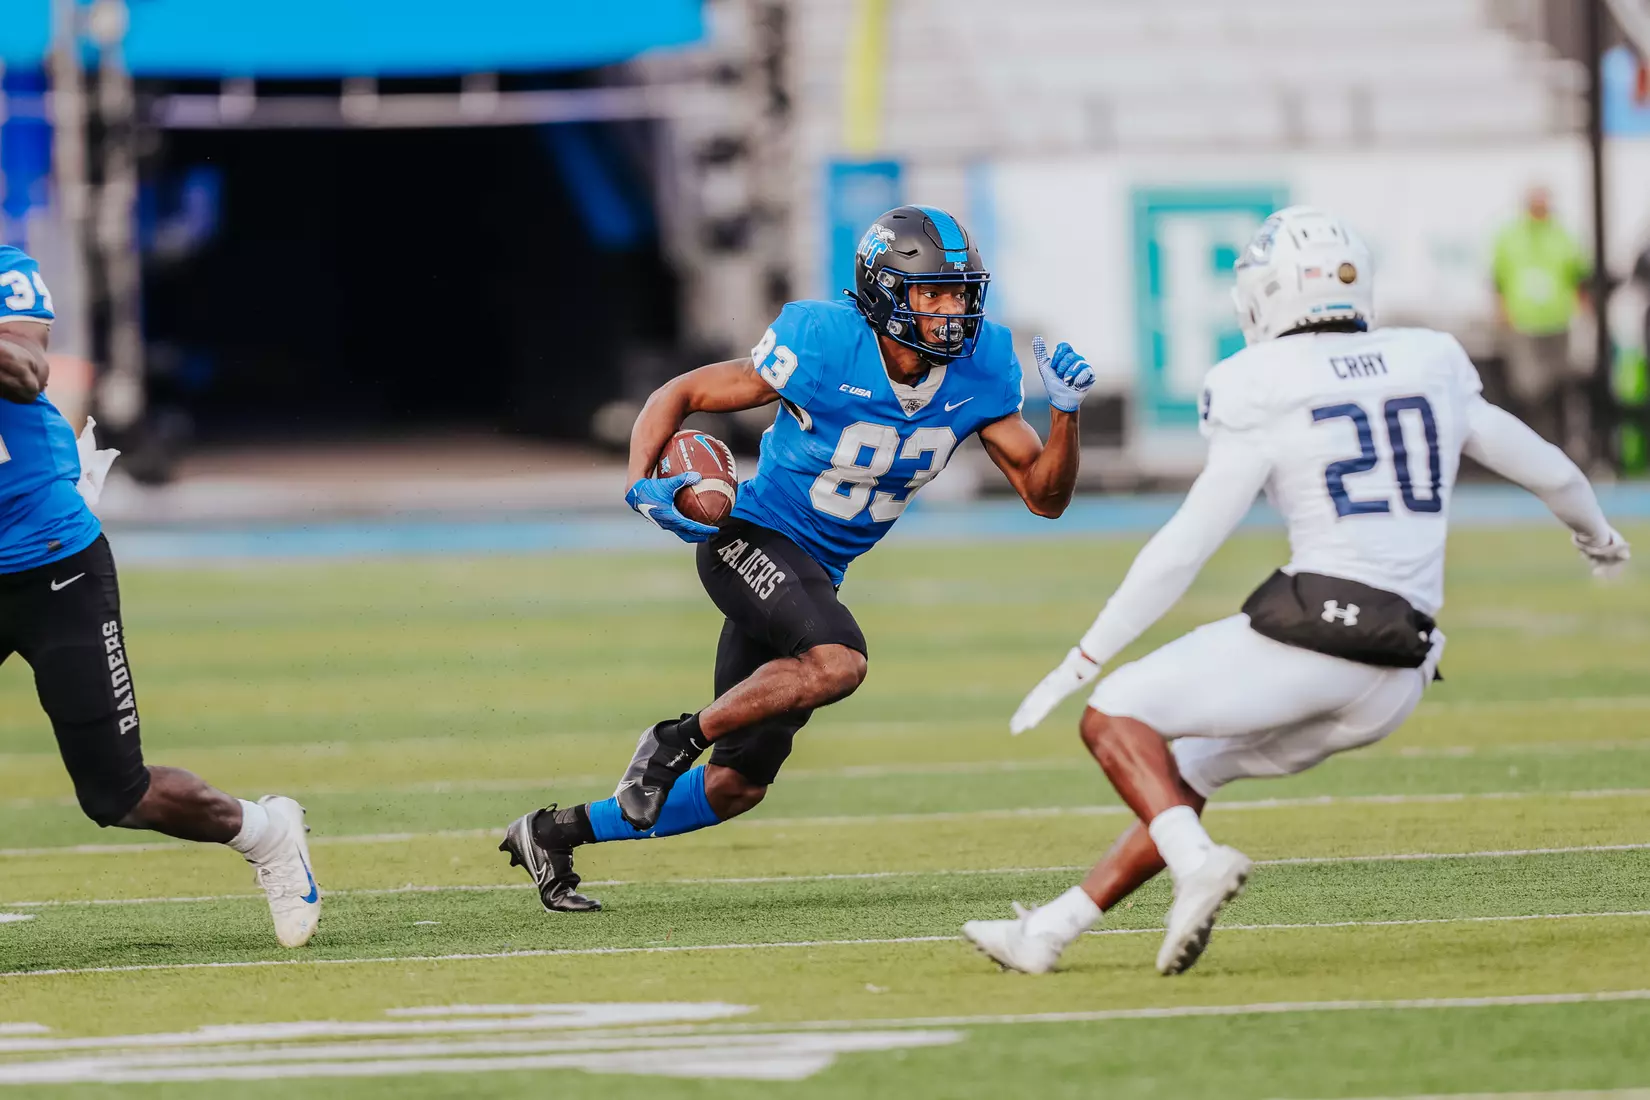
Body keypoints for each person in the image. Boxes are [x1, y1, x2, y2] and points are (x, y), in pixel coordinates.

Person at [961, 206, 1629, 977]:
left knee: (1114, 714)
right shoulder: (1428, 358)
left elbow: (1187, 545)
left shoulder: (1262, 379)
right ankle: (1049, 931)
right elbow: (1547, 465)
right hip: (1403, 668)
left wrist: (1087, 653)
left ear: (1270, 294)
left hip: (1326, 634)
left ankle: (1197, 866)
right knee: (1186, 777)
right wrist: (1598, 538)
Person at [500, 205, 1095, 911]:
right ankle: (673, 739)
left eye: (960, 292)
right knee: (839, 661)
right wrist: (638, 484)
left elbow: (1044, 496)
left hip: (814, 574)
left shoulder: (985, 365)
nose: (951, 310)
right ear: (883, 291)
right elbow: (682, 392)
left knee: (736, 786)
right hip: (748, 539)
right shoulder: (821, 341)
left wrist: (1066, 417)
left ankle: (552, 833)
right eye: (932, 292)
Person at [0, 244, 321, 948]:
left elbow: (27, 372)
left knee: (118, 794)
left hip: (51, 563)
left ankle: (266, 832)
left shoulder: (7, 268)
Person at [1491, 185, 1593, 458]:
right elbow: (1498, 278)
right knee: (1527, 388)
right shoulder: (1510, 235)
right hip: (1524, 321)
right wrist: (1502, 310)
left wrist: (1583, 312)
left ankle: (1560, 446)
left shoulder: (1562, 235)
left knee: (1559, 385)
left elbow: (1578, 275)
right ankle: (1528, 448)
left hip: (1557, 320)